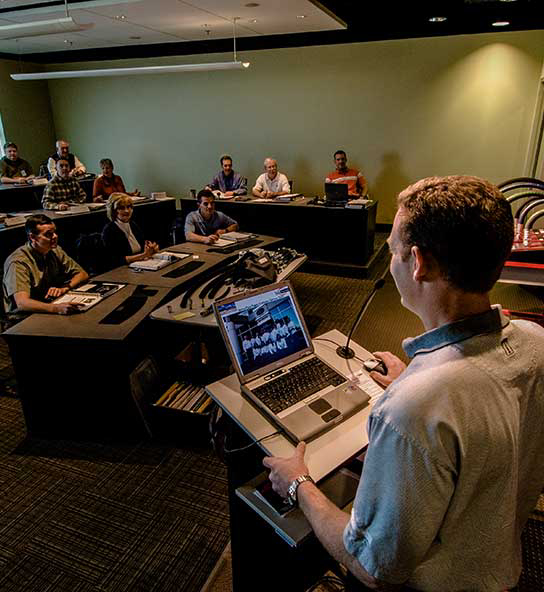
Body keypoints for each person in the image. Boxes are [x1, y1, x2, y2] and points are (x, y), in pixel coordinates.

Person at [263, 175, 544, 591]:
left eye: (392, 249)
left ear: (418, 262)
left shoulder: (414, 408)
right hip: (500, 563)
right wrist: (413, 375)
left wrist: (298, 485)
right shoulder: (536, 342)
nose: (390, 260)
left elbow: (374, 568)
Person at [3, 214, 89, 316]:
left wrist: (64, 288)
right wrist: (56, 308)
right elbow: (22, 303)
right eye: (48, 234)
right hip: (24, 317)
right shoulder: (18, 262)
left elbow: (82, 274)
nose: (55, 236)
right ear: (32, 237)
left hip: (49, 305)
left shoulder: (54, 250)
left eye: (54, 232)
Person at [102, 193, 159, 268]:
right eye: (122, 208)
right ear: (114, 211)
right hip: (121, 270)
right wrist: (144, 255)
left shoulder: (133, 225)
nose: (127, 211)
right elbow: (116, 260)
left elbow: (142, 246)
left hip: (140, 265)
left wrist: (152, 248)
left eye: (129, 207)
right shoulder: (109, 230)